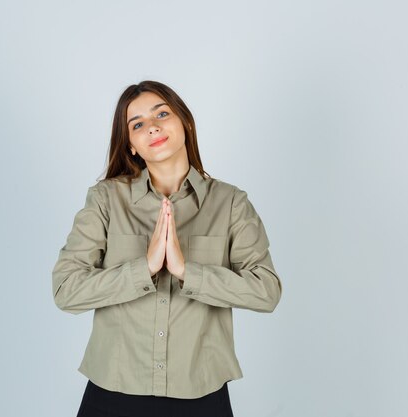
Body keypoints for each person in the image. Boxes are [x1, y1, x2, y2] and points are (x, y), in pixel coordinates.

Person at [52, 80, 282, 417]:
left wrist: (187, 271)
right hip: (112, 390)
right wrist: (142, 269)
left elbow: (267, 291)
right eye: (138, 124)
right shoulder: (105, 200)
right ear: (130, 145)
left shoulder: (231, 203)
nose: (153, 127)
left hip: (200, 392)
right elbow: (65, 291)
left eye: (162, 113)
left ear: (185, 122)